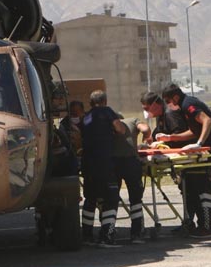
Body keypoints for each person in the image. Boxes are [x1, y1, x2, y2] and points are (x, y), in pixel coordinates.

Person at [158, 84, 211, 238]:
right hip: (210, 148)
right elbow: (193, 131)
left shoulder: (188, 104)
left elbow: (207, 121)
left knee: (207, 188)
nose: (169, 103)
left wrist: (199, 143)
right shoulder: (184, 106)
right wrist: (171, 138)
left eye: (168, 100)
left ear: (175, 96)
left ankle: (207, 227)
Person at [141, 90, 200, 233]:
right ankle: (189, 221)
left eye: (147, 108)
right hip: (178, 157)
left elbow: (179, 134)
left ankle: (195, 223)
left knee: (190, 190)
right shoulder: (162, 116)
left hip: (185, 157)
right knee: (185, 190)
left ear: (155, 104)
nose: (146, 112)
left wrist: (167, 141)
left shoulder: (170, 114)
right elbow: (160, 131)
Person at [79, 90, 126, 245]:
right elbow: (120, 129)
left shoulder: (86, 116)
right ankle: (107, 235)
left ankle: (86, 235)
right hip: (104, 163)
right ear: (105, 101)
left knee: (90, 199)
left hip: (88, 164)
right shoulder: (107, 112)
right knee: (111, 198)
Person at [113, 113, 149, 243]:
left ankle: (109, 232)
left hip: (114, 163)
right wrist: (144, 142)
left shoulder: (109, 125)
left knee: (111, 199)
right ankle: (137, 233)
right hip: (131, 163)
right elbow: (145, 129)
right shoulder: (133, 120)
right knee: (135, 198)